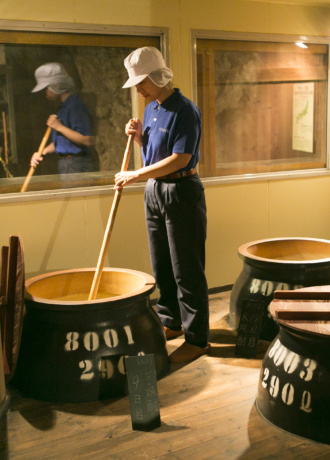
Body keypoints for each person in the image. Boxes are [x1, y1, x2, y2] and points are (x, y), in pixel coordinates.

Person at [114, 47, 210, 364]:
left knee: (187, 267)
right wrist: (140, 137)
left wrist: (136, 174)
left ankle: (197, 338)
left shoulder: (185, 110)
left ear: (158, 77)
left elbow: (180, 158)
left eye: (142, 83)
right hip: (155, 190)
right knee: (162, 264)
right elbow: (157, 155)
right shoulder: (153, 109)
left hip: (181, 190)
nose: (139, 89)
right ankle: (171, 321)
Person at [30, 62, 98, 175]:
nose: (45, 93)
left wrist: (59, 127)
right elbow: (64, 141)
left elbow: (88, 140)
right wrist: (42, 152)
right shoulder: (63, 107)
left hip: (77, 165)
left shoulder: (75, 106)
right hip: (68, 164)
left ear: (56, 85)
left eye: (46, 88)